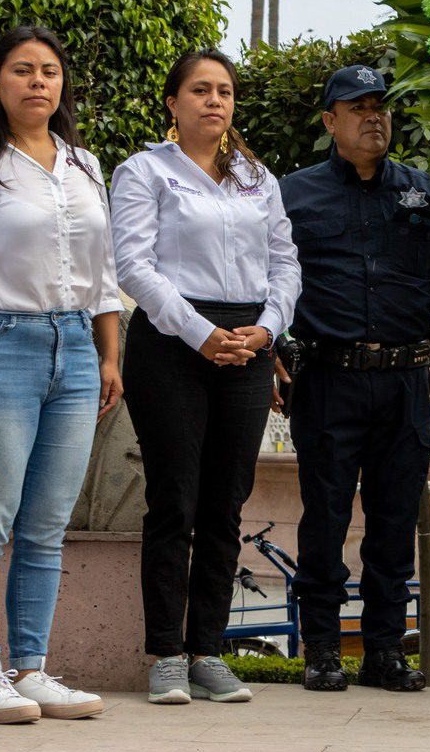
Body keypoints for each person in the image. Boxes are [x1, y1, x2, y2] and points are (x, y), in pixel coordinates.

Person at [280, 64, 430, 693]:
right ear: (330, 121)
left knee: (393, 526)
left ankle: (384, 651)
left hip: (405, 383)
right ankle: (324, 651)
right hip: (328, 381)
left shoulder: (426, 195)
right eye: (357, 108)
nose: (373, 117)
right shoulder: (291, 196)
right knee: (325, 521)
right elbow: (264, 282)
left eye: (380, 106)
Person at [0, 25, 120, 725]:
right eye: (22, 70)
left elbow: (102, 276)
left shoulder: (84, 163)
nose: (39, 82)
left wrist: (108, 355)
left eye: (49, 70)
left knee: (47, 524)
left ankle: (32, 667)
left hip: (74, 348)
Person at [114, 48, 300, 706]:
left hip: (247, 344)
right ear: (173, 101)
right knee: (176, 500)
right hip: (170, 344)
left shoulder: (257, 177)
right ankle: (166, 651)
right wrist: (200, 333)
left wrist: (267, 327)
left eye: (224, 90)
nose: (214, 101)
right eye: (200, 90)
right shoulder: (144, 171)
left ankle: (208, 651)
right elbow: (134, 266)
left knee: (226, 504)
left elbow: (286, 263)